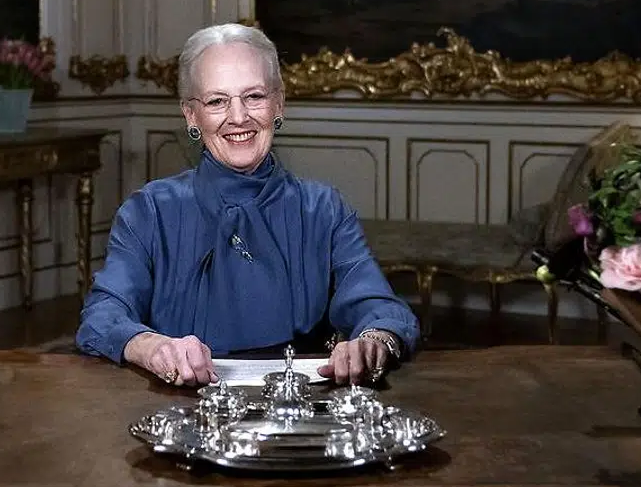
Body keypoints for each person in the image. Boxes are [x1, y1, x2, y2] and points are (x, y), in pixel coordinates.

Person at [75, 23, 420, 387]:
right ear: (191, 115)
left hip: (300, 405)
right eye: (216, 101)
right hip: (178, 407)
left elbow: (381, 308)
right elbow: (102, 315)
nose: (238, 117)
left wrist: (371, 341)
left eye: (254, 96)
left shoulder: (323, 209)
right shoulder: (148, 212)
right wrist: (149, 346)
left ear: (279, 103)